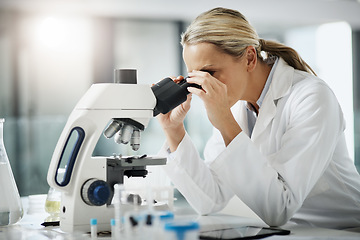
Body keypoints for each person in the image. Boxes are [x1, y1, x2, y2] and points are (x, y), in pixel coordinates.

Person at [156, 7, 360, 229]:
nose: (202, 86)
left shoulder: (312, 96)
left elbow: (279, 208)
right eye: (194, 76)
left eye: (210, 73)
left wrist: (224, 120)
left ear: (250, 58)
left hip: (341, 230)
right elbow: (211, 199)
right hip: (289, 232)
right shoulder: (234, 105)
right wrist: (174, 130)